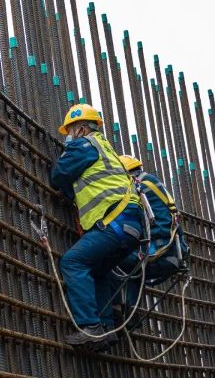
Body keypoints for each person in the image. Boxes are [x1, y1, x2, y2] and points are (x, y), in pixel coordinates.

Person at [50, 104, 143, 349]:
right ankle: (106, 328)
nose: (67, 136)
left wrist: (64, 156)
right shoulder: (107, 150)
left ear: (80, 128)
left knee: (73, 262)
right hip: (130, 226)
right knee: (98, 271)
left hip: (114, 223)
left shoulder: (85, 145)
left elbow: (58, 176)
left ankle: (90, 327)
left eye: (69, 130)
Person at [117, 155, 189, 314]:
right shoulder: (150, 182)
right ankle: (130, 311)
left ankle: (121, 311)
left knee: (111, 259)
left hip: (159, 253)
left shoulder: (139, 187)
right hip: (173, 254)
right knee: (133, 268)